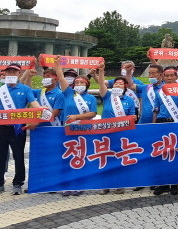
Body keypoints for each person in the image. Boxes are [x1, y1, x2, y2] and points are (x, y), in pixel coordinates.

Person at [54, 57, 98, 196]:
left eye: (82, 82)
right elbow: (61, 78)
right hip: (68, 130)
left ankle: (80, 183)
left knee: (81, 157)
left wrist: (77, 117)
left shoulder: (91, 98)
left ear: (87, 85)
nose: (78, 84)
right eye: (77, 82)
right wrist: (57, 65)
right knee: (67, 157)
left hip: (84, 130)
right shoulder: (68, 93)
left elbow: (92, 113)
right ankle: (66, 184)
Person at [0, 63, 42, 195]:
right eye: (9, 72)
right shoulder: (1, 90)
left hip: (18, 128)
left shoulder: (25, 89)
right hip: (2, 127)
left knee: (18, 156)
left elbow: (34, 104)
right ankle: (0, 183)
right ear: (5, 74)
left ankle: (18, 183)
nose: (11, 75)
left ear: (19, 74)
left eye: (14, 72)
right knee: (1, 155)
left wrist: (40, 115)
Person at [96, 62, 137, 195]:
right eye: (116, 84)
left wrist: (133, 118)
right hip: (106, 133)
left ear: (125, 86)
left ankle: (120, 184)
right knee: (107, 158)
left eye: (120, 84)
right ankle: (106, 184)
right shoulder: (108, 97)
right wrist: (101, 71)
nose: (117, 85)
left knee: (121, 158)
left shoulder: (129, 100)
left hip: (122, 134)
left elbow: (132, 116)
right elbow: (101, 85)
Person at [152, 66, 178, 196]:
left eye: (172, 75)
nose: (169, 78)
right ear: (163, 76)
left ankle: (174, 185)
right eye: (167, 76)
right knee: (162, 154)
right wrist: (154, 125)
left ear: (176, 77)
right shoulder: (159, 91)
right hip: (162, 122)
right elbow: (156, 110)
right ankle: (163, 184)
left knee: (175, 154)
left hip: (177, 123)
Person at [127, 64, 165, 192]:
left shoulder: (166, 88)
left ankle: (156, 180)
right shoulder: (146, 87)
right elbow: (131, 86)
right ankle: (142, 180)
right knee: (143, 153)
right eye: (149, 73)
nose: (151, 76)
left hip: (159, 124)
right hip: (144, 124)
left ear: (161, 74)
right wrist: (128, 73)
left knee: (157, 154)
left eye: (153, 73)